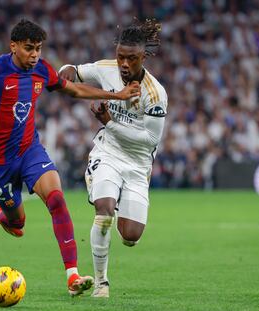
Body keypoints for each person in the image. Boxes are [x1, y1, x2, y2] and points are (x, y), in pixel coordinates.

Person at [0, 19, 140, 296]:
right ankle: (3, 213)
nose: (34, 55)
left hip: (30, 150)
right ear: (14, 46)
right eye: (29, 49)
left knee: (56, 198)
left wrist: (116, 95)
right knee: (17, 223)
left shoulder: (42, 70)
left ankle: (72, 277)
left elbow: (74, 89)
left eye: (38, 49)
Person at [59, 19, 167, 298]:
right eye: (121, 56)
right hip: (107, 153)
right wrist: (66, 72)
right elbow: (73, 71)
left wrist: (110, 123)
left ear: (143, 57)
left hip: (138, 164)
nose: (124, 64)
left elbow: (150, 141)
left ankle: (120, 204)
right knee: (103, 210)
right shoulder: (106, 68)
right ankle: (100, 283)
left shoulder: (155, 94)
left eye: (131, 58)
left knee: (131, 236)